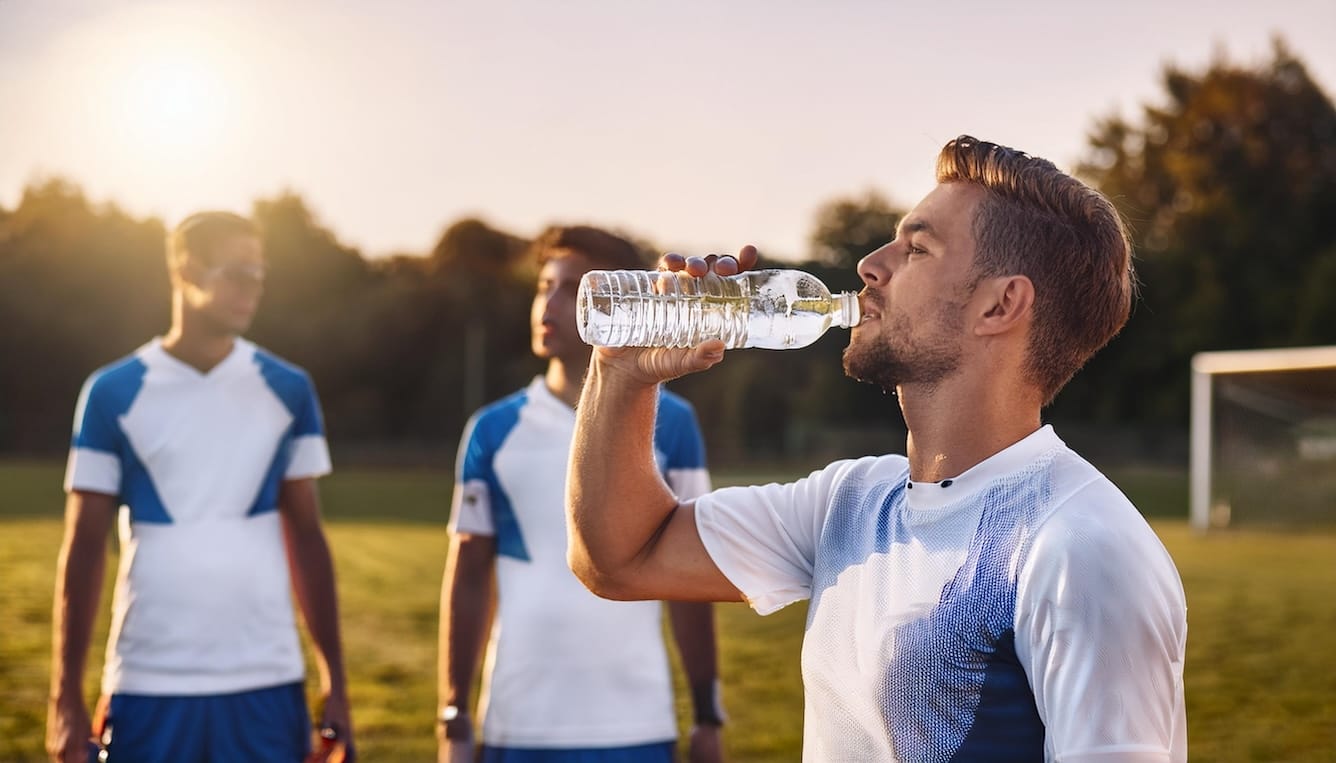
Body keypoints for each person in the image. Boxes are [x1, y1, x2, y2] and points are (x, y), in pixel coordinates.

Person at [565, 136, 1188, 761]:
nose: (870, 264)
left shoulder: (1080, 547)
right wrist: (621, 373)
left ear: (1000, 304)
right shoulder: (853, 501)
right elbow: (620, 557)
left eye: (917, 247)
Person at [47, 211, 354, 763]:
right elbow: (84, 547)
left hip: (267, 679)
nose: (252, 288)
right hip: (149, 681)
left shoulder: (288, 389)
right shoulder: (112, 393)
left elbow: (308, 536)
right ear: (186, 270)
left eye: (259, 274)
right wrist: (64, 697)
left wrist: (335, 679)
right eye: (237, 272)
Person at [437, 225, 727, 763]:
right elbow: (468, 575)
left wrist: (708, 715)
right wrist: (453, 716)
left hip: (635, 721)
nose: (549, 301)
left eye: (574, 287)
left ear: (625, 300)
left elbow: (692, 579)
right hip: (518, 722)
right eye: (545, 284)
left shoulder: (675, 423)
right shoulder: (492, 430)